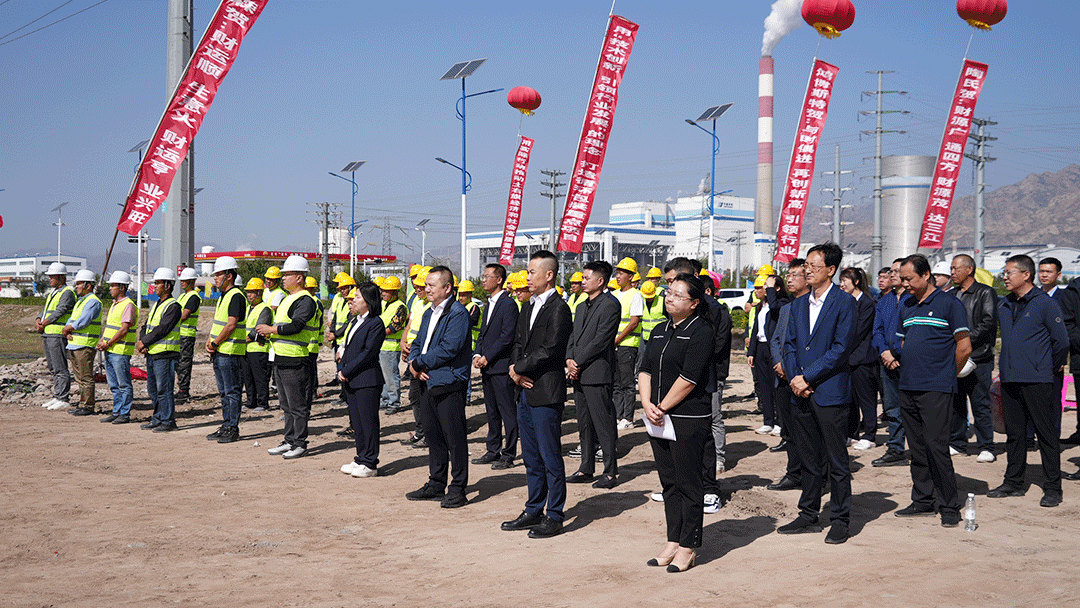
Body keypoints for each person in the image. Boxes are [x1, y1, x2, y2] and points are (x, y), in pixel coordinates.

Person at [779, 242, 857, 545]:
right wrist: (795, 378)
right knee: (808, 457)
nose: (807, 270)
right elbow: (789, 345)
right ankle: (808, 513)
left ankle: (840, 519)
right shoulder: (799, 304)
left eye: (814, 266)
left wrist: (807, 377)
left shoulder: (844, 303)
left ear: (831, 270)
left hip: (830, 391)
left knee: (836, 461)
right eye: (806, 266)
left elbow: (841, 348)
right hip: (800, 392)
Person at [639, 272, 714, 572]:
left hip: (686, 418)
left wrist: (662, 406)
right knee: (669, 482)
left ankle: (688, 546)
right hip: (657, 417)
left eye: (678, 295)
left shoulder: (701, 331)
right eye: (668, 293)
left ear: (694, 303)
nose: (669, 298)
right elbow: (645, 369)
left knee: (688, 483)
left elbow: (689, 378)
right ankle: (673, 540)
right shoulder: (660, 329)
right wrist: (647, 403)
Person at [893, 254, 972, 527]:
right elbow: (904, 343)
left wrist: (946, 374)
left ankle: (949, 505)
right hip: (908, 386)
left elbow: (964, 347)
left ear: (926, 275)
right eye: (902, 279)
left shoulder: (949, 304)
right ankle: (923, 500)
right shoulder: (907, 305)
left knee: (936, 447)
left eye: (909, 278)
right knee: (916, 448)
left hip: (936, 388)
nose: (905, 284)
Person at [501, 250, 573, 539]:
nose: (527, 277)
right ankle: (533, 509)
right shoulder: (528, 306)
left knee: (550, 456)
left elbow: (551, 348)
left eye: (532, 272)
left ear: (549, 275)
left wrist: (519, 368)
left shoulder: (559, 308)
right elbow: (518, 342)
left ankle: (554, 514)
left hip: (545, 391)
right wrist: (515, 371)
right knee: (531, 456)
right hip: (524, 389)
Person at [988, 255, 1069, 507]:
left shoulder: (1045, 303)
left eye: (1009, 272)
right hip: (1010, 378)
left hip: (1038, 379)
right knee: (1015, 434)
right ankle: (1013, 482)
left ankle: (1053, 487)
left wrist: (1048, 367)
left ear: (1026, 275)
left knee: (1046, 434)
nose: (1004, 277)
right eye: (1004, 272)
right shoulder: (1005, 304)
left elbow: (1061, 341)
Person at [404, 266, 472, 508]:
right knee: (433, 436)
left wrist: (419, 362)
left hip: (448, 382)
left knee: (454, 438)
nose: (427, 289)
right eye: (426, 285)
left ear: (447, 287)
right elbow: (418, 342)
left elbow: (449, 348)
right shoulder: (428, 312)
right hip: (427, 380)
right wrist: (414, 361)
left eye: (432, 285)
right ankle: (436, 483)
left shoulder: (458, 313)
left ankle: (458, 488)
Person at [565, 260, 621, 488]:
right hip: (578, 372)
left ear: (600, 281)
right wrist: (569, 359)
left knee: (603, 423)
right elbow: (573, 335)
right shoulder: (581, 306)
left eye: (587, 278)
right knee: (584, 423)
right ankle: (586, 468)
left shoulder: (610, 305)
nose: (583, 281)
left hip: (597, 372)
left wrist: (578, 361)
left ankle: (610, 472)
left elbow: (601, 340)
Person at [258, 255, 318, 459]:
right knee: (286, 405)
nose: (283, 278)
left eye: (287, 275)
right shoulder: (287, 299)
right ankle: (289, 440)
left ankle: (300, 443)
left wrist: (271, 330)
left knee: (298, 405)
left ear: (299, 277)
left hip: (295, 359)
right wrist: (268, 334)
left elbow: (296, 326)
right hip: (281, 357)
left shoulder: (305, 300)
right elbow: (282, 326)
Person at [949, 254, 999, 462]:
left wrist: (965, 340)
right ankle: (957, 443)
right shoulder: (952, 294)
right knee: (956, 402)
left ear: (969, 270)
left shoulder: (985, 293)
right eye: (951, 269)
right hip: (956, 356)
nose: (952, 272)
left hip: (979, 357)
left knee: (980, 403)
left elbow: (988, 322)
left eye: (956, 268)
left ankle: (986, 446)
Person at [472, 263, 520, 470]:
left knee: (507, 411)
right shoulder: (489, 304)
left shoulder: (508, 304)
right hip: (487, 366)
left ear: (499, 279)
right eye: (483, 276)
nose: (483, 280)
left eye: (487, 276)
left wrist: (488, 357)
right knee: (491, 411)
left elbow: (507, 336)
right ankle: (493, 450)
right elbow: (482, 334)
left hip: (500, 366)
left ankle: (508, 453)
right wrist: (477, 354)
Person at [767, 259, 809, 491]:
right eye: (788, 275)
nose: (789, 279)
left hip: (803, 379)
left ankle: (815, 474)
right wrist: (779, 363)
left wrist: (792, 369)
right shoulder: (786, 309)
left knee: (808, 431)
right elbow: (776, 340)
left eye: (795, 275)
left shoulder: (814, 307)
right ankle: (794, 473)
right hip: (782, 377)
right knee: (790, 430)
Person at [338, 283, 386, 479]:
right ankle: (361, 457)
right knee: (357, 423)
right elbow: (350, 347)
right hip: (352, 379)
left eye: (358, 297)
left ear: (368, 300)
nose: (354, 300)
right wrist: (341, 366)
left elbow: (368, 353)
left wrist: (347, 369)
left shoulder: (375, 323)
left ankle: (370, 462)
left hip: (367, 379)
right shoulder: (356, 320)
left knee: (368, 422)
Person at [203, 256, 248, 443]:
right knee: (224, 392)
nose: (215, 278)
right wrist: (210, 341)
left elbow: (231, 325)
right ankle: (226, 424)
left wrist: (215, 343)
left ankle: (232, 428)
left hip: (230, 351)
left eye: (219, 274)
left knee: (232, 392)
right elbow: (219, 323)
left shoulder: (236, 296)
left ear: (229, 276)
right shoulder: (224, 296)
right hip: (221, 351)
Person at [871, 258, 911, 468]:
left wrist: (896, 354)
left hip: (908, 361)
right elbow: (877, 331)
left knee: (912, 407)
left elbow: (912, 333)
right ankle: (895, 448)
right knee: (892, 407)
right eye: (891, 271)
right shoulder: (884, 301)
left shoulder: (913, 299)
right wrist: (885, 352)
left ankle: (919, 448)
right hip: (886, 361)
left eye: (896, 271)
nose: (892, 274)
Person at [137, 268, 183, 432]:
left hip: (165, 353)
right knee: (154, 389)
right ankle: (157, 418)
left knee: (164, 389)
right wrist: (143, 341)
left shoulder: (173, 306)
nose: (155, 286)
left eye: (158, 283)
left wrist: (144, 341)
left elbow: (163, 329)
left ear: (168, 285)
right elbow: (147, 326)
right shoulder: (157, 305)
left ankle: (168, 421)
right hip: (153, 352)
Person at [839, 267, 878, 451]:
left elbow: (858, 331)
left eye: (845, 280)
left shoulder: (867, 303)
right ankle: (852, 434)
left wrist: (841, 345)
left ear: (856, 282)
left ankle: (869, 435)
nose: (841, 284)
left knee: (866, 399)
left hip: (862, 358)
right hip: (848, 359)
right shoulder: (845, 302)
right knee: (851, 399)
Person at [748, 272, 789, 436]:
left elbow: (774, 308)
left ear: (776, 288)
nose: (764, 289)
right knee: (764, 386)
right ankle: (768, 421)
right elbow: (755, 330)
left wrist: (771, 290)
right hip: (761, 348)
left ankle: (780, 422)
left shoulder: (782, 304)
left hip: (774, 348)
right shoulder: (760, 306)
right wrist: (751, 352)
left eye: (767, 286)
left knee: (775, 386)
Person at [97, 271, 138, 423]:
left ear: (122, 287)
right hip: (110, 350)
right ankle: (117, 411)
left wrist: (108, 343)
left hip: (120, 351)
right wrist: (103, 340)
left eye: (113, 285)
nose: (110, 288)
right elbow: (111, 327)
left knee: (123, 384)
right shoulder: (115, 305)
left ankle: (124, 413)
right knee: (114, 384)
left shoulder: (128, 305)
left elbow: (124, 329)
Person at [61, 269, 102, 417]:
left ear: (88, 285)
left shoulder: (92, 302)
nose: (76, 286)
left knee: (85, 377)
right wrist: (67, 329)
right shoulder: (81, 301)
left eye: (79, 284)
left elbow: (82, 321)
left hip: (85, 344)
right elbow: (72, 320)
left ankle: (88, 405)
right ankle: (83, 403)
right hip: (75, 344)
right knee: (79, 377)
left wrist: (67, 329)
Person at [399, 268, 431, 447]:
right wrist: (403, 343)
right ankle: (420, 431)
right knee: (414, 396)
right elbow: (409, 325)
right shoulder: (418, 303)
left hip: (422, 356)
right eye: (416, 286)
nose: (418, 289)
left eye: (421, 286)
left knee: (424, 396)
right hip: (413, 354)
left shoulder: (431, 306)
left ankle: (428, 433)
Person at [37, 262, 75, 411]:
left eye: (53, 276)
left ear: (61, 277)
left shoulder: (67, 292)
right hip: (48, 333)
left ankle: (63, 397)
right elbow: (45, 310)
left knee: (60, 367)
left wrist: (44, 323)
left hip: (57, 334)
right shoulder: (53, 293)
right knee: (53, 367)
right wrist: (38, 320)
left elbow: (60, 310)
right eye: (50, 276)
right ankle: (58, 395)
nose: (50, 279)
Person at [612, 257, 644, 430]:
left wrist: (616, 340)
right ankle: (618, 416)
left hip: (627, 344)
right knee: (616, 384)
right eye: (617, 273)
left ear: (631, 277)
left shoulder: (636, 295)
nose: (618, 276)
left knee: (627, 383)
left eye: (622, 273)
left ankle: (628, 418)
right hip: (614, 345)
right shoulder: (614, 294)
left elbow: (633, 323)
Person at [242, 278, 273, 413]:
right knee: (248, 377)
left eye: (253, 292)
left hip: (258, 348)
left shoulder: (265, 309)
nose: (249, 295)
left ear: (260, 293)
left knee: (259, 377)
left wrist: (247, 338)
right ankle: (251, 401)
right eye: (248, 292)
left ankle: (263, 403)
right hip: (246, 348)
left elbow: (259, 327)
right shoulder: (248, 308)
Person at [378, 276, 408, 414]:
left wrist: (376, 333)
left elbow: (394, 327)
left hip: (390, 348)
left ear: (395, 292)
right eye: (383, 290)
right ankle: (384, 400)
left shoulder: (400, 307)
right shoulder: (384, 304)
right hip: (381, 346)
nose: (383, 293)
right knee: (383, 377)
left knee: (391, 377)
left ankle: (394, 402)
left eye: (387, 291)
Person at [326, 272, 356, 404]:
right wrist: (332, 332)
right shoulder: (340, 301)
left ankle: (347, 397)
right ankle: (343, 396)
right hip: (338, 341)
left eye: (344, 288)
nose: (342, 291)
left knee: (346, 370)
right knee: (340, 369)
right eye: (341, 288)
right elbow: (335, 318)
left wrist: (335, 334)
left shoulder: (353, 302)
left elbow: (349, 323)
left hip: (346, 341)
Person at [175, 267, 201, 403]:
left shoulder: (193, 297)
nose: (182, 282)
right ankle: (181, 388)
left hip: (187, 335)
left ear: (191, 281)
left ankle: (184, 391)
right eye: (181, 280)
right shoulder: (182, 296)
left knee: (184, 363)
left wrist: (171, 322)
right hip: (179, 334)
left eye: (185, 280)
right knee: (178, 363)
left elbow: (184, 315)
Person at [458, 279, 481, 404]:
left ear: (470, 295)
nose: (461, 297)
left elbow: (470, 322)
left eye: (464, 295)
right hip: (461, 344)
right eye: (460, 294)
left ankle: (467, 396)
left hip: (471, 344)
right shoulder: (459, 306)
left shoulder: (474, 307)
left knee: (466, 371)